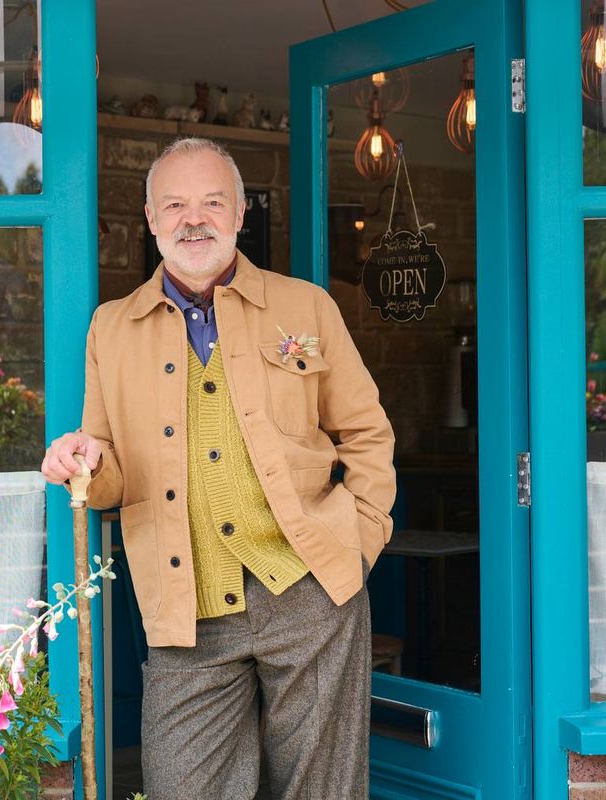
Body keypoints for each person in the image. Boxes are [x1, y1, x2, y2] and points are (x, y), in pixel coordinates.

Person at [41, 137, 396, 799]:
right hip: (185, 606)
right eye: (174, 204)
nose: (192, 218)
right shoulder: (111, 329)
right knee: (184, 785)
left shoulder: (305, 306)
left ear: (239, 215)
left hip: (311, 591)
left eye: (211, 202)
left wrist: (360, 542)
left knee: (323, 790)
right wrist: (84, 461)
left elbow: (366, 432)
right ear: (151, 220)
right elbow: (109, 475)